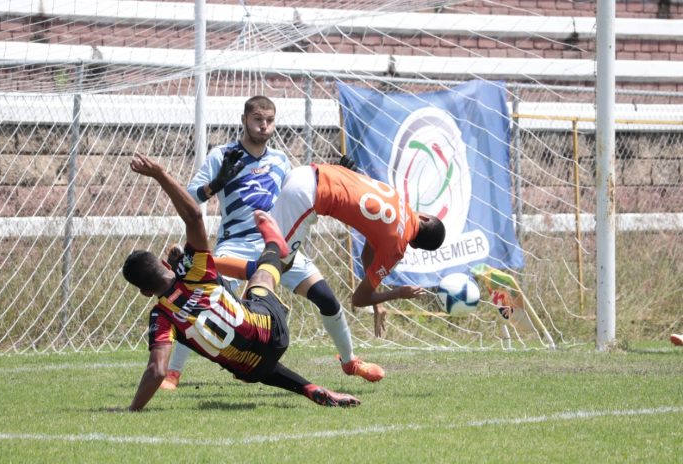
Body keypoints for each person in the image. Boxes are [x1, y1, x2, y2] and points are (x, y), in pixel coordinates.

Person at [160, 95, 384, 390]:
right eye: (257, 119)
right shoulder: (221, 156)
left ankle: (350, 362)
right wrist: (217, 184)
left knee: (327, 299)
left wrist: (341, 175)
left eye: (269, 121)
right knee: (202, 300)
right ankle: (173, 373)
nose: (263, 126)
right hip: (235, 244)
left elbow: (303, 190)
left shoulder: (280, 160)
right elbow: (189, 198)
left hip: (276, 244)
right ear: (244, 120)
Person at [119, 154, 360, 411]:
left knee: (246, 360)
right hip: (273, 329)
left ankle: (306, 387)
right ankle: (273, 246)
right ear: (165, 265)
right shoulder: (194, 271)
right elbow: (194, 216)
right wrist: (160, 174)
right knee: (260, 278)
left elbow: (157, 370)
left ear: (145, 292)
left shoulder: (161, 316)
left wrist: (132, 410)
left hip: (252, 368)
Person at [270, 162, 446, 332]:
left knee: (280, 259)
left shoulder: (397, 198)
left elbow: (366, 257)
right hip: (306, 196)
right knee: (277, 261)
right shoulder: (396, 248)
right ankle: (259, 309)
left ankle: (261, 302)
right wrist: (398, 293)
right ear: (414, 246)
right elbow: (358, 300)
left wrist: (377, 304)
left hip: (305, 172)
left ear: (424, 217)